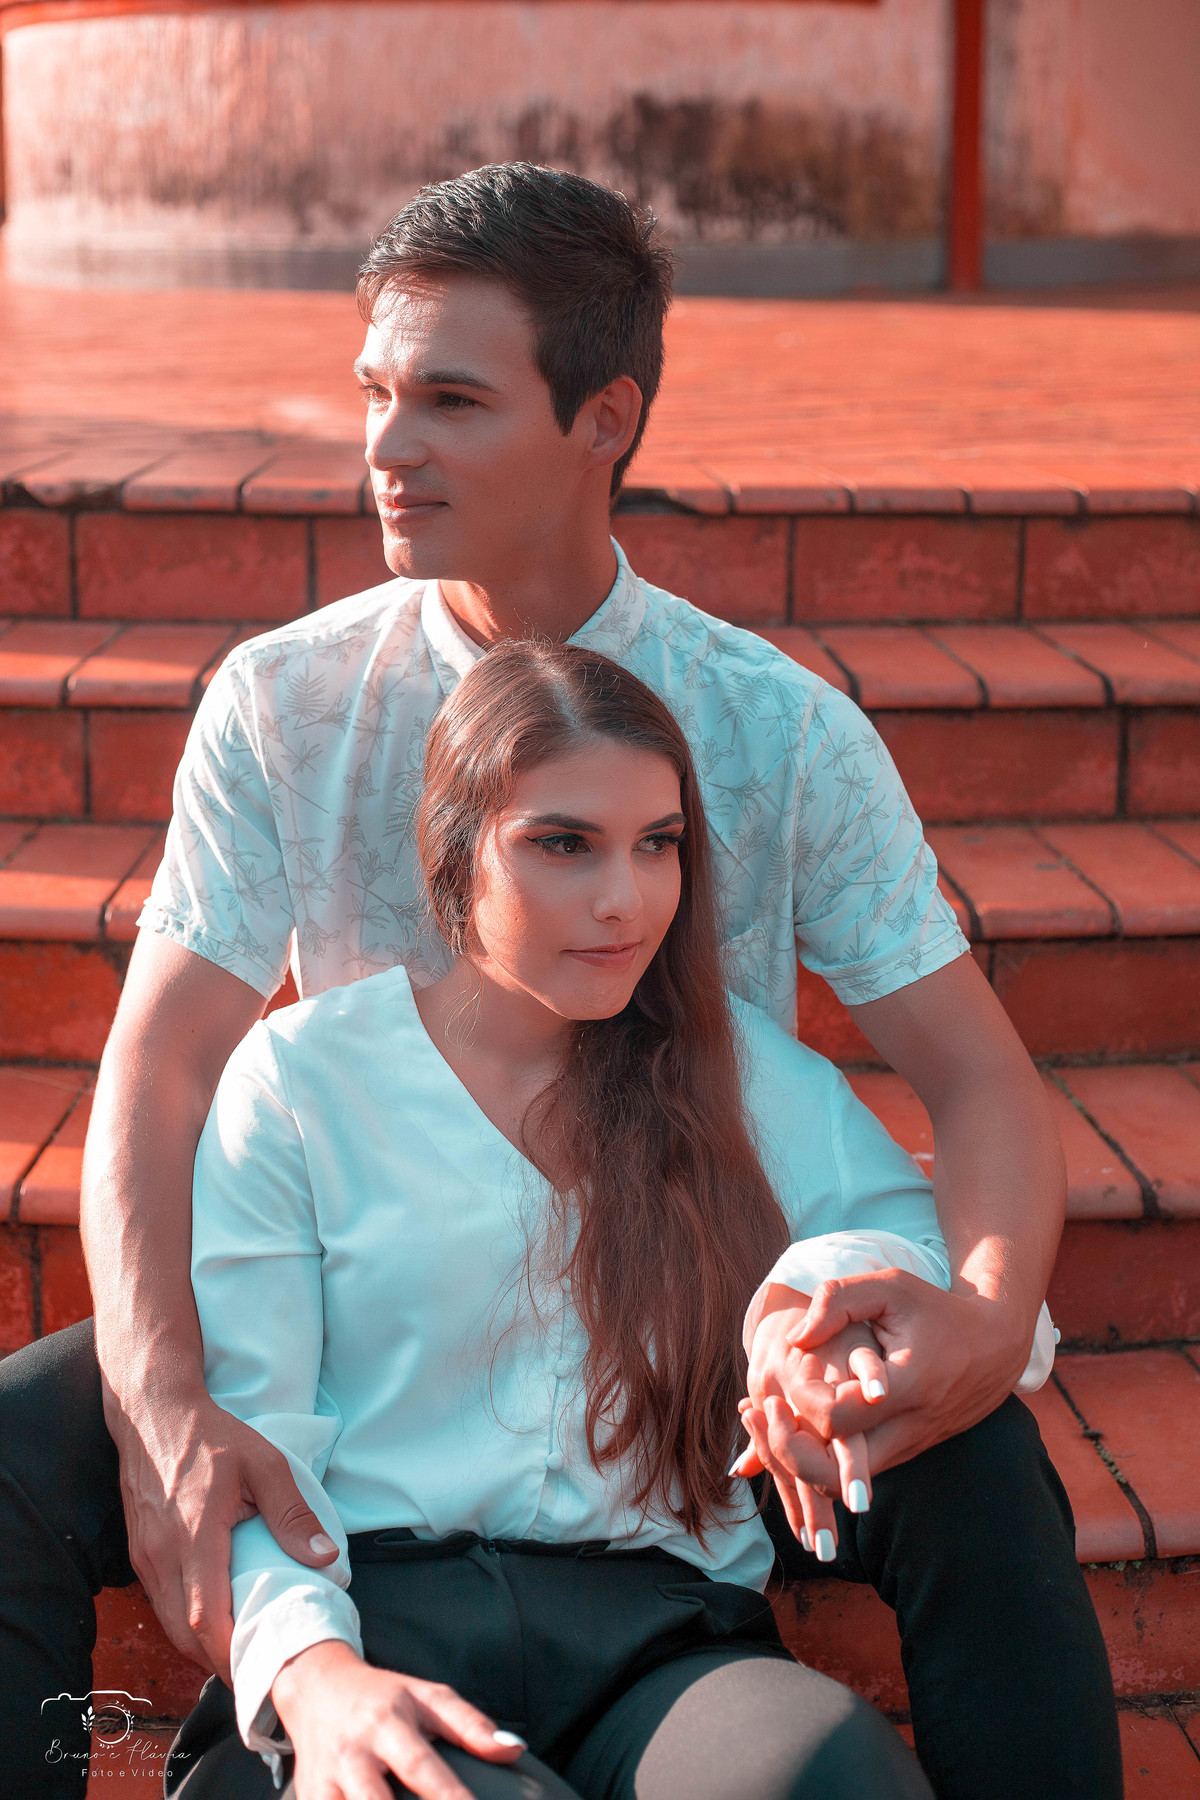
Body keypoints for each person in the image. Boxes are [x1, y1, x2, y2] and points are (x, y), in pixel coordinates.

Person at [0, 164, 1119, 1799]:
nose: (387, 447)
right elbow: (161, 1067)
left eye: (450, 400)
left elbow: (974, 1077)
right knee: (33, 1432)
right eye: (376, 394)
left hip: (676, 1323)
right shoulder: (288, 701)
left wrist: (986, 1314)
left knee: (978, 1443)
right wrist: (171, 1404)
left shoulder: (778, 728)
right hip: (362, 1291)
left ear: (607, 419)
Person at [168, 639, 950, 1800]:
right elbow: (253, 1435)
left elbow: (931, 1256)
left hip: (664, 1643)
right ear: (454, 850)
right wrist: (314, 1675)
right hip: (377, 1627)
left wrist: (812, 1295)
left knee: (831, 1776)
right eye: (563, 843)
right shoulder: (301, 1081)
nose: (623, 898)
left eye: (657, 844)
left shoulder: (737, 1077)